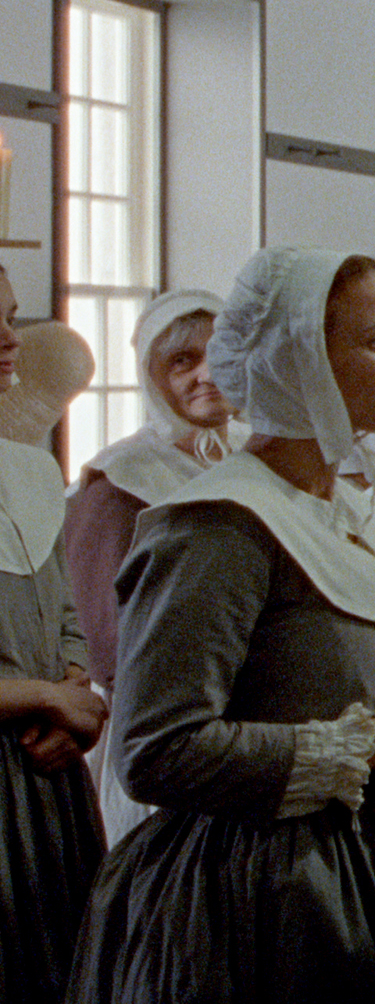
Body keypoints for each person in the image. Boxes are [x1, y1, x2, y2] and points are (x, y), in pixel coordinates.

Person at [71, 247, 375, 1002]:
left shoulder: (353, 511)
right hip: (263, 900)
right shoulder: (219, 525)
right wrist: (366, 745)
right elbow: (154, 747)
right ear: (296, 355)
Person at [64, 288, 238, 842]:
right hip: (162, 726)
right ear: (150, 376)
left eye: (219, 353)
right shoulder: (121, 479)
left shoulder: (250, 459)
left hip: (246, 722)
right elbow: (106, 641)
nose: (206, 374)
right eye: (183, 361)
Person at [0, 266, 106, 1001]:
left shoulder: (32, 470)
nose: (10, 341)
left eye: (10, 317)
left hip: (44, 783)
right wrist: (49, 697)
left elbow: (66, 617)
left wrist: (77, 697)